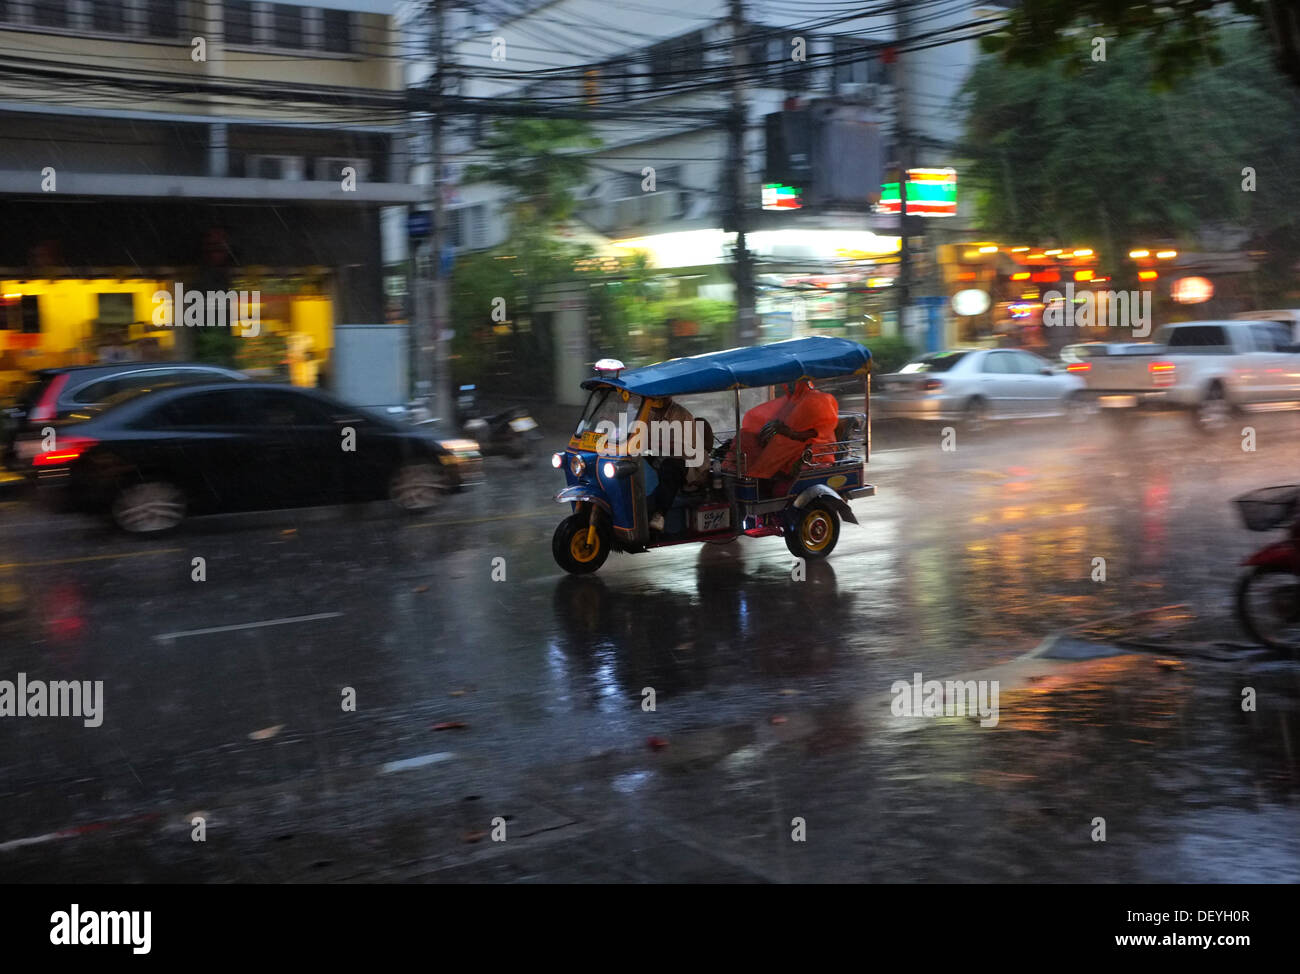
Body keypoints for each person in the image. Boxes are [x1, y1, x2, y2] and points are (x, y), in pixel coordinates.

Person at [732, 378, 839, 482]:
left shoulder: (817, 400)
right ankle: (737, 470)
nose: (789, 386)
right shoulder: (792, 400)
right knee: (744, 436)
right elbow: (777, 420)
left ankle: (758, 477)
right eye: (787, 384)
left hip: (810, 446)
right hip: (790, 440)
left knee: (778, 441)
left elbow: (817, 432)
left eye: (793, 383)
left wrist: (788, 432)